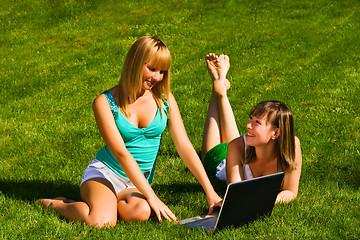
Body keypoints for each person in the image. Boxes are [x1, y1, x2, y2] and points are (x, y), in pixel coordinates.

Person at [38, 36, 222, 228]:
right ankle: (56, 204)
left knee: (141, 212)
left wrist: (210, 193)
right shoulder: (105, 103)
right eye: (152, 69)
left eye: (162, 72)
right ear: (134, 63)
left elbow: (183, 145)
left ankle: (111, 202)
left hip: (136, 182)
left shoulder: (164, 99)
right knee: (101, 222)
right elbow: (121, 153)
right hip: (106, 174)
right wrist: (153, 197)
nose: (157, 77)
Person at [201, 53, 302, 203]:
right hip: (220, 159)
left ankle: (219, 86)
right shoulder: (237, 145)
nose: (248, 125)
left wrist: (267, 200)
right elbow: (236, 192)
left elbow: (290, 191)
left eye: (257, 122)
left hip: (241, 150)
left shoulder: (291, 145)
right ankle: (218, 87)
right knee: (214, 150)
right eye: (251, 119)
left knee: (237, 140)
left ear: (276, 133)